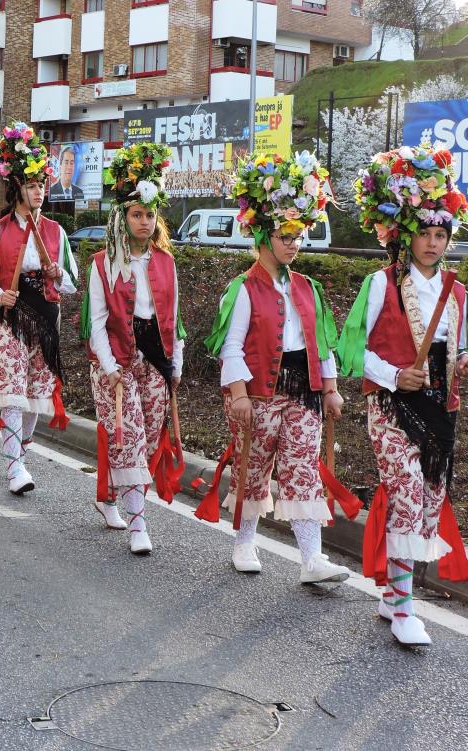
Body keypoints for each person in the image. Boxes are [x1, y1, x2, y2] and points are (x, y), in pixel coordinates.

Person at [337, 142, 468, 646]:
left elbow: (458, 345)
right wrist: (394, 376)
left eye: (440, 234)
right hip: (392, 406)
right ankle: (406, 608)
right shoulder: (381, 284)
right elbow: (351, 349)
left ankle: (392, 595)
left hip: (439, 408)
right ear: (407, 236)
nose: (433, 243)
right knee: (407, 492)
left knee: (430, 498)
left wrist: (464, 360)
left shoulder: (457, 291)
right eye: (425, 234)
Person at [201, 151, 351, 584]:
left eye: (298, 236)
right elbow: (231, 346)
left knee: (302, 466)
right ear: (263, 235)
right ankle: (244, 542)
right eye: (285, 236)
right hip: (258, 392)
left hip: (304, 389)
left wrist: (331, 388)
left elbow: (322, 344)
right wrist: (239, 395)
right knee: (254, 467)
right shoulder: (243, 288)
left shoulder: (308, 287)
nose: (293, 244)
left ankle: (312, 559)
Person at [79, 143, 181, 554]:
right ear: (122, 217)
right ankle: (139, 525)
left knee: (148, 438)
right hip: (116, 359)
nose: (144, 222)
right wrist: (109, 367)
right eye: (136, 214)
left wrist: (175, 362)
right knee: (129, 437)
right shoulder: (102, 263)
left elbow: (174, 317)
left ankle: (108, 497)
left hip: (155, 358)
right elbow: (96, 322)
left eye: (149, 215)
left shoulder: (166, 262)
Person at [0, 121, 77, 495]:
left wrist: (57, 273)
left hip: (44, 318)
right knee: (12, 390)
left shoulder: (56, 232)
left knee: (36, 394)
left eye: (42, 184)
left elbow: (71, 283)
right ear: (17, 188)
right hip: (9, 319)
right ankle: (14, 466)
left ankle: (22, 454)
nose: (39, 191)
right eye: (32, 185)